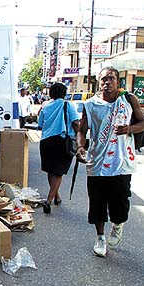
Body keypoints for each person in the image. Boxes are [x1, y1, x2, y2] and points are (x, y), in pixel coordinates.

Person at [76, 67, 144, 257]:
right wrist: (81, 147)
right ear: (99, 82)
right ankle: (100, 237)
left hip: (122, 162)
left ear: (118, 81)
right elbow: (82, 130)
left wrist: (129, 128)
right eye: (104, 79)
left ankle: (117, 224)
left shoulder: (128, 100)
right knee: (97, 203)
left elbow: (143, 123)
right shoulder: (90, 105)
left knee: (120, 203)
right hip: (97, 162)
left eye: (111, 78)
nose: (107, 82)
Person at [38, 83, 80, 214]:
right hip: (62, 141)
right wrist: (80, 141)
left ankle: (57, 196)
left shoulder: (45, 106)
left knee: (51, 170)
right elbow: (75, 123)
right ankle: (49, 200)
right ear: (64, 93)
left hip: (46, 142)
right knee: (58, 172)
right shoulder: (68, 105)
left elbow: (40, 125)